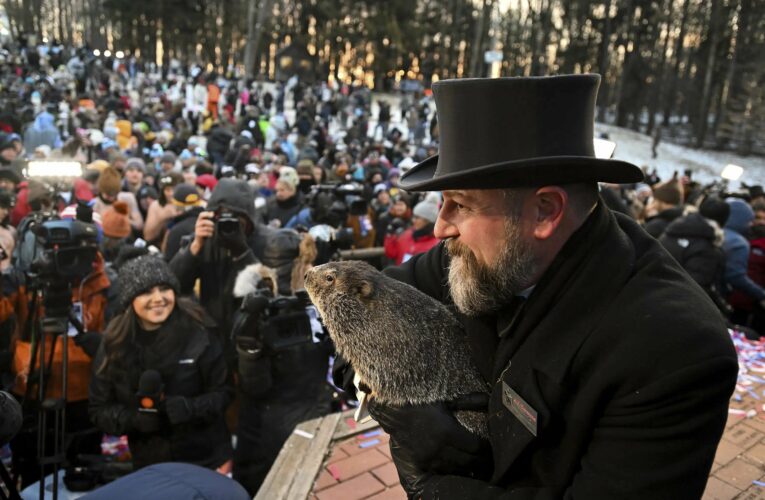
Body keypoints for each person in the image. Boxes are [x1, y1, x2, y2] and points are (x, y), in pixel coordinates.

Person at [348, 75, 737, 498]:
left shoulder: (676, 350)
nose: (441, 227)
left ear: (544, 212)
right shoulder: (477, 251)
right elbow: (365, 303)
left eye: (460, 204)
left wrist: (435, 488)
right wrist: (401, 401)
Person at [89, 255, 233, 471]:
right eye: (147, 291)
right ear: (130, 299)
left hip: (207, 458)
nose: (158, 298)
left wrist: (191, 408)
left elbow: (225, 392)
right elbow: (99, 409)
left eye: (164, 289)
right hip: (150, 464)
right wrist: (134, 420)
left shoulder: (199, 330)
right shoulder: (114, 344)